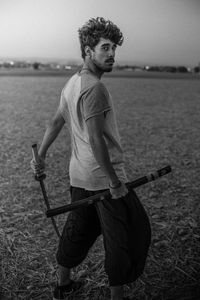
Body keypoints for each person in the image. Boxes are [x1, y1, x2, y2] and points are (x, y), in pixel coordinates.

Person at [31, 17, 151, 300]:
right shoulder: (95, 88)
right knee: (124, 237)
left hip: (80, 175)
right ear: (88, 50)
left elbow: (55, 122)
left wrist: (42, 156)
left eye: (113, 48)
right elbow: (97, 139)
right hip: (102, 179)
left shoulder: (73, 82)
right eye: (105, 48)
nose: (111, 54)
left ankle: (62, 284)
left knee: (78, 229)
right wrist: (114, 182)